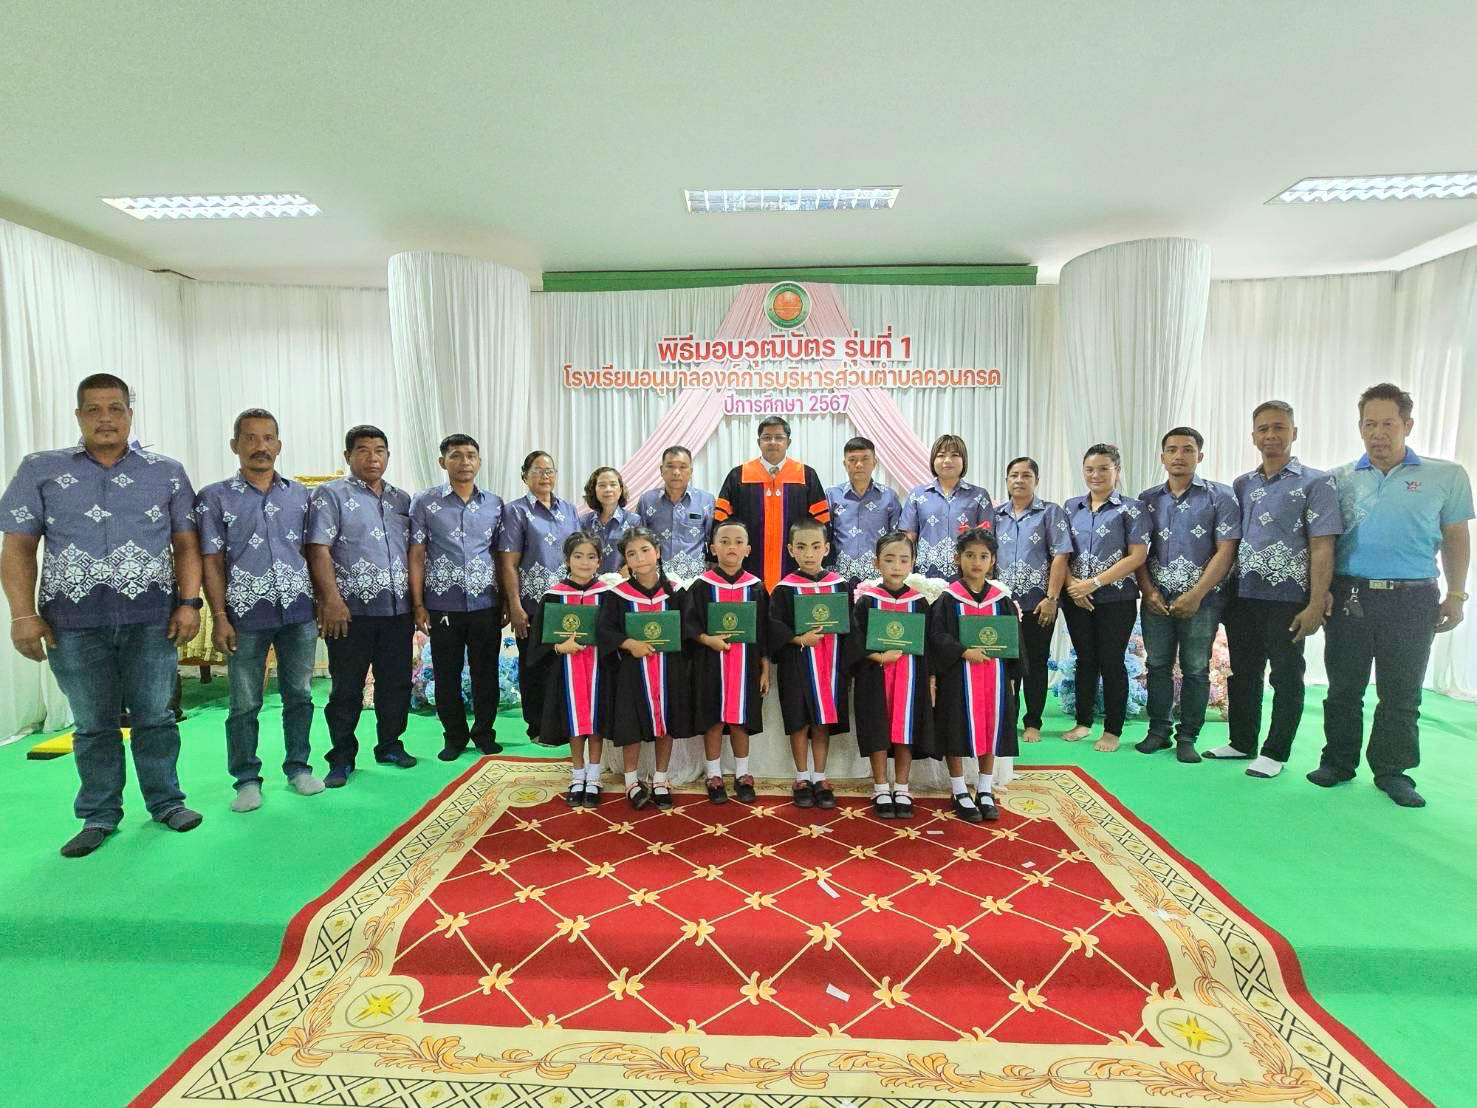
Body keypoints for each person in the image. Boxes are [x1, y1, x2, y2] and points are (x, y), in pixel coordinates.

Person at [1, 374, 203, 857]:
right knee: (93, 724)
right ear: (78, 416)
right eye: (93, 409)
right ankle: (99, 815)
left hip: (151, 618)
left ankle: (166, 803)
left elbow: (186, 544)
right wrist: (22, 615)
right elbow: (18, 547)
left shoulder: (167, 471)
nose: (105, 418)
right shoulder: (40, 469)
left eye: (115, 408)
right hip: (72, 623)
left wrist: (189, 602)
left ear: (130, 414)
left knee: (156, 717)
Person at [1313, 383, 1472, 808]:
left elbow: (1456, 537)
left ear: (1408, 425)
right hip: (1350, 595)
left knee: (1401, 692)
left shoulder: (1446, 476)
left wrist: (1457, 594)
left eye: (1387, 424)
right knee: (1343, 688)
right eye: (1369, 424)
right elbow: (1323, 543)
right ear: (1359, 427)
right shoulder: (1337, 479)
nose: (1377, 433)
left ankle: (1393, 771)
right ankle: (1337, 762)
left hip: (1413, 599)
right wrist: (1320, 591)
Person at [1204, 401, 1342, 778]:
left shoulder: (1316, 483)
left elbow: (1323, 546)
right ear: (1253, 437)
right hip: (1243, 596)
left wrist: (1316, 603)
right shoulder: (1243, 484)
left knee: (1285, 675)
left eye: (1279, 427)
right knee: (1243, 672)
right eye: (1263, 429)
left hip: (1289, 598)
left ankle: (1275, 752)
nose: (1271, 435)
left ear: (1294, 433)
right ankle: (1241, 742)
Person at [195, 408, 321, 812]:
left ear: (278, 445)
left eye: (268, 438)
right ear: (235, 445)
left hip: (298, 612)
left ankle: (299, 767)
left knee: (300, 695)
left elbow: (314, 553)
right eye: (250, 438)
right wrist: (219, 616)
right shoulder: (214, 497)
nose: (260, 446)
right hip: (245, 615)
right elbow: (211, 561)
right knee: (245, 702)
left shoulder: (301, 495)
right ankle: (246, 780)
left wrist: (321, 602)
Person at [306, 424, 415, 787]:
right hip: (350, 612)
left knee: (396, 683)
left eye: (380, 450)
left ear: (388, 455)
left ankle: (390, 744)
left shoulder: (401, 499)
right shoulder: (330, 495)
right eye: (363, 450)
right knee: (347, 688)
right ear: (348, 455)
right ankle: (341, 757)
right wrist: (330, 600)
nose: (373, 458)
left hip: (397, 610)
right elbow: (318, 548)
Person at [1134, 428, 1240, 764]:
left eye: (1187, 449)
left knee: (1196, 668)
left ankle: (1188, 737)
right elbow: (1137, 552)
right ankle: (1158, 730)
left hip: (1203, 601)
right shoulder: (1147, 499)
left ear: (1200, 456)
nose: (1179, 456)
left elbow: (1226, 551)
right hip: (1156, 599)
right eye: (1172, 450)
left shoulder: (1220, 497)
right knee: (1157, 665)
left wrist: (1196, 594)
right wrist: (1148, 590)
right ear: (1162, 457)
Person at [409, 433, 505, 762]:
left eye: (470, 455)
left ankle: (485, 734)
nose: (464, 462)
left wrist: (506, 601)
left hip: (486, 604)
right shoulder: (425, 502)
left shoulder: (494, 504)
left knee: (486, 672)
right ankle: (454, 737)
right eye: (456, 455)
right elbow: (416, 554)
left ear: (479, 461)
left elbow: (501, 555)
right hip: (442, 604)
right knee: (446, 673)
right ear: (442, 461)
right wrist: (418, 604)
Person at [1061, 444, 1150, 753]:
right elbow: (1061, 552)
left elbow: (1137, 556)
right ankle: (1083, 722)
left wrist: (1094, 583)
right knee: (1085, 660)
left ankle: (1113, 730)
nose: (1095, 475)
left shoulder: (1132, 508)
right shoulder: (1070, 507)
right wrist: (1073, 586)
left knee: (1112, 662)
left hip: (1117, 598)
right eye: (1090, 469)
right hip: (1075, 598)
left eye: (1103, 469)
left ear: (1117, 471)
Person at [599, 527, 690, 810]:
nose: (639, 558)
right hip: (632, 672)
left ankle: (661, 779)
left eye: (645, 550)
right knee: (631, 725)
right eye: (631, 554)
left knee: (667, 723)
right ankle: (631, 781)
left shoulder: (675, 592)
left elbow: (689, 628)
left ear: (658, 552)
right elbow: (605, 630)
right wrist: (629, 643)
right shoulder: (618, 595)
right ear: (626, 560)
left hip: (669, 669)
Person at [847, 531, 931, 819]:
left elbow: (928, 644)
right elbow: (854, 641)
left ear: (913, 563)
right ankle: (881, 786)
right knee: (878, 730)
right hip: (875, 677)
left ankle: (902, 787)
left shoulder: (919, 603)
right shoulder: (867, 602)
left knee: (905, 730)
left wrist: (931, 680)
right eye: (889, 559)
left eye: (904, 560)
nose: (896, 566)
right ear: (877, 563)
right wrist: (879, 657)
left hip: (910, 678)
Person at [496, 451, 579, 741]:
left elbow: (579, 554)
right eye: (537, 470)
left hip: (566, 603)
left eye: (549, 470)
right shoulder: (515, 511)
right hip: (531, 603)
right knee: (534, 664)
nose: (545, 476)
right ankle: (537, 727)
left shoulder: (569, 510)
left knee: (564, 664)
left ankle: (565, 726)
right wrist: (515, 606)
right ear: (524, 476)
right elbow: (508, 563)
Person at [684, 519, 768, 804]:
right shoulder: (701, 586)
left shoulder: (756, 587)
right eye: (724, 541)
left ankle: (742, 774)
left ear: (748, 550)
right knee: (714, 719)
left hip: (746, 665)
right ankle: (713, 774)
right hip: (710, 665)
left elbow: (764, 631)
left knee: (741, 719)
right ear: (713, 548)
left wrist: (765, 669)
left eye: (738, 542)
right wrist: (708, 640)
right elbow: (689, 625)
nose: (731, 547)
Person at [768, 517, 849, 808]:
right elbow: (773, 627)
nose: (809, 553)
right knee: (799, 721)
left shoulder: (839, 586)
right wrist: (798, 638)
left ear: (826, 548)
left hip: (830, 666)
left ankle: (820, 776)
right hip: (797, 665)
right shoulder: (784, 589)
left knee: (822, 721)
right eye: (801, 547)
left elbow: (850, 626)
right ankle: (801, 777)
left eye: (816, 546)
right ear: (791, 550)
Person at [527, 531, 610, 807]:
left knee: (596, 721)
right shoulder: (553, 596)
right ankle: (577, 775)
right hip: (566, 671)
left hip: (599, 670)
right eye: (578, 556)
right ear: (567, 559)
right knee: (575, 722)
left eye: (591, 557)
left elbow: (616, 633)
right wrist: (559, 647)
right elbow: (538, 642)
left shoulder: (607, 595)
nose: (585, 563)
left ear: (599, 561)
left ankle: (594, 777)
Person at [992, 456, 1071, 744]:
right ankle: (1007, 719)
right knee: (1005, 664)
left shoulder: (1050, 512)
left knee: (1036, 664)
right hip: (1002, 605)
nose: (1019, 480)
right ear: (1006, 480)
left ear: (1036, 480)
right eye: (1014, 475)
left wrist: (1052, 598)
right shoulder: (995, 515)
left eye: (1026, 475)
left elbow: (1060, 555)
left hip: (1038, 604)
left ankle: (1033, 721)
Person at [715, 417, 830, 591]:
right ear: (758, 442)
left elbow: (821, 524)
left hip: (795, 565)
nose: (773, 442)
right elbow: (721, 523)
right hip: (748, 564)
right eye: (767, 437)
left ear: (788, 442)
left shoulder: (806, 475)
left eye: (779, 437)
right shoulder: (739, 475)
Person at [900, 433, 994, 580]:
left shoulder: (979, 496)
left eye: (954, 455)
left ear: (964, 460)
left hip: (967, 577)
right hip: (925, 577)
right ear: (933, 460)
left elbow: (988, 541)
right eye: (941, 455)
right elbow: (907, 538)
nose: (947, 460)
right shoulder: (918, 494)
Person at [826, 436, 902, 583]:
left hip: (878, 576)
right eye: (852, 459)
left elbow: (896, 539)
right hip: (838, 574)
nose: (859, 465)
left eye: (865, 459)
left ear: (874, 462)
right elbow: (824, 534)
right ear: (845, 464)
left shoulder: (889, 496)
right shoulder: (832, 495)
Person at [636, 446, 716, 581]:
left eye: (683, 467)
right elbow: (638, 540)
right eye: (670, 466)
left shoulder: (706, 500)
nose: (676, 472)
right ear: (661, 470)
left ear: (691, 471)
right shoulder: (647, 500)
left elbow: (712, 541)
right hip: (656, 578)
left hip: (695, 579)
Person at [577, 466, 638, 575]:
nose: (608, 489)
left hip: (623, 581)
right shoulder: (584, 522)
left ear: (620, 489)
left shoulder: (634, 521)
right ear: (594, 490)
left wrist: (621, 577)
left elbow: (639, 553)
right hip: (590, 581)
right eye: (602, 485)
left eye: (613, 484)